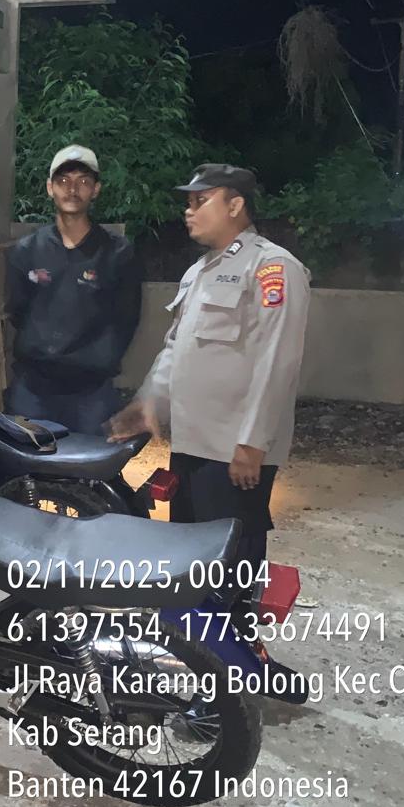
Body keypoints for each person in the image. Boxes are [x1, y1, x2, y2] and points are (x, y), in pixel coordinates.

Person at [109, 163, 310, 574]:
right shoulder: (199, 272)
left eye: (201, 201)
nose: (189, 211)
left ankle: (235, 617)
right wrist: (149, 402)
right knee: (189, 556)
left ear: (235, 206)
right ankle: (191, 619)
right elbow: (176, 348)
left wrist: (253, 443)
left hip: (233, 450)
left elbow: (278, 360)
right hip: (191, 443)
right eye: (188, 202)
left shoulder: (271, 267)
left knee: (232, 559)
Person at [3, 144, 143, 434]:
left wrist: (98, 358)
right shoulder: (27, 251)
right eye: (64, 181)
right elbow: (17, 311)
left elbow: (126, 317)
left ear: (96, 190)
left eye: (83, 181)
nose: (72, 189)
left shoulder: (117, 253)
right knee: (27, 461)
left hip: (92, 394)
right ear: (50, 188)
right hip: (33, 391)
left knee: (89, 463)